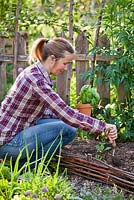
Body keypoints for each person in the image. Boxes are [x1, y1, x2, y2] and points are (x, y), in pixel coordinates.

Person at [0, 37, 117, 168]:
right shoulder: (36, 80)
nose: (66, 68)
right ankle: (26, 166)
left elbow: (51, 112)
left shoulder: (35, 73)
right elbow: (67, 115)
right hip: (9, 143)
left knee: (67, 124)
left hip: (16, 131)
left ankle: (22, 163)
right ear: (52, 59)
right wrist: (103, 126)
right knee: (68, 129)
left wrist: (78, 116)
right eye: (65, 63)